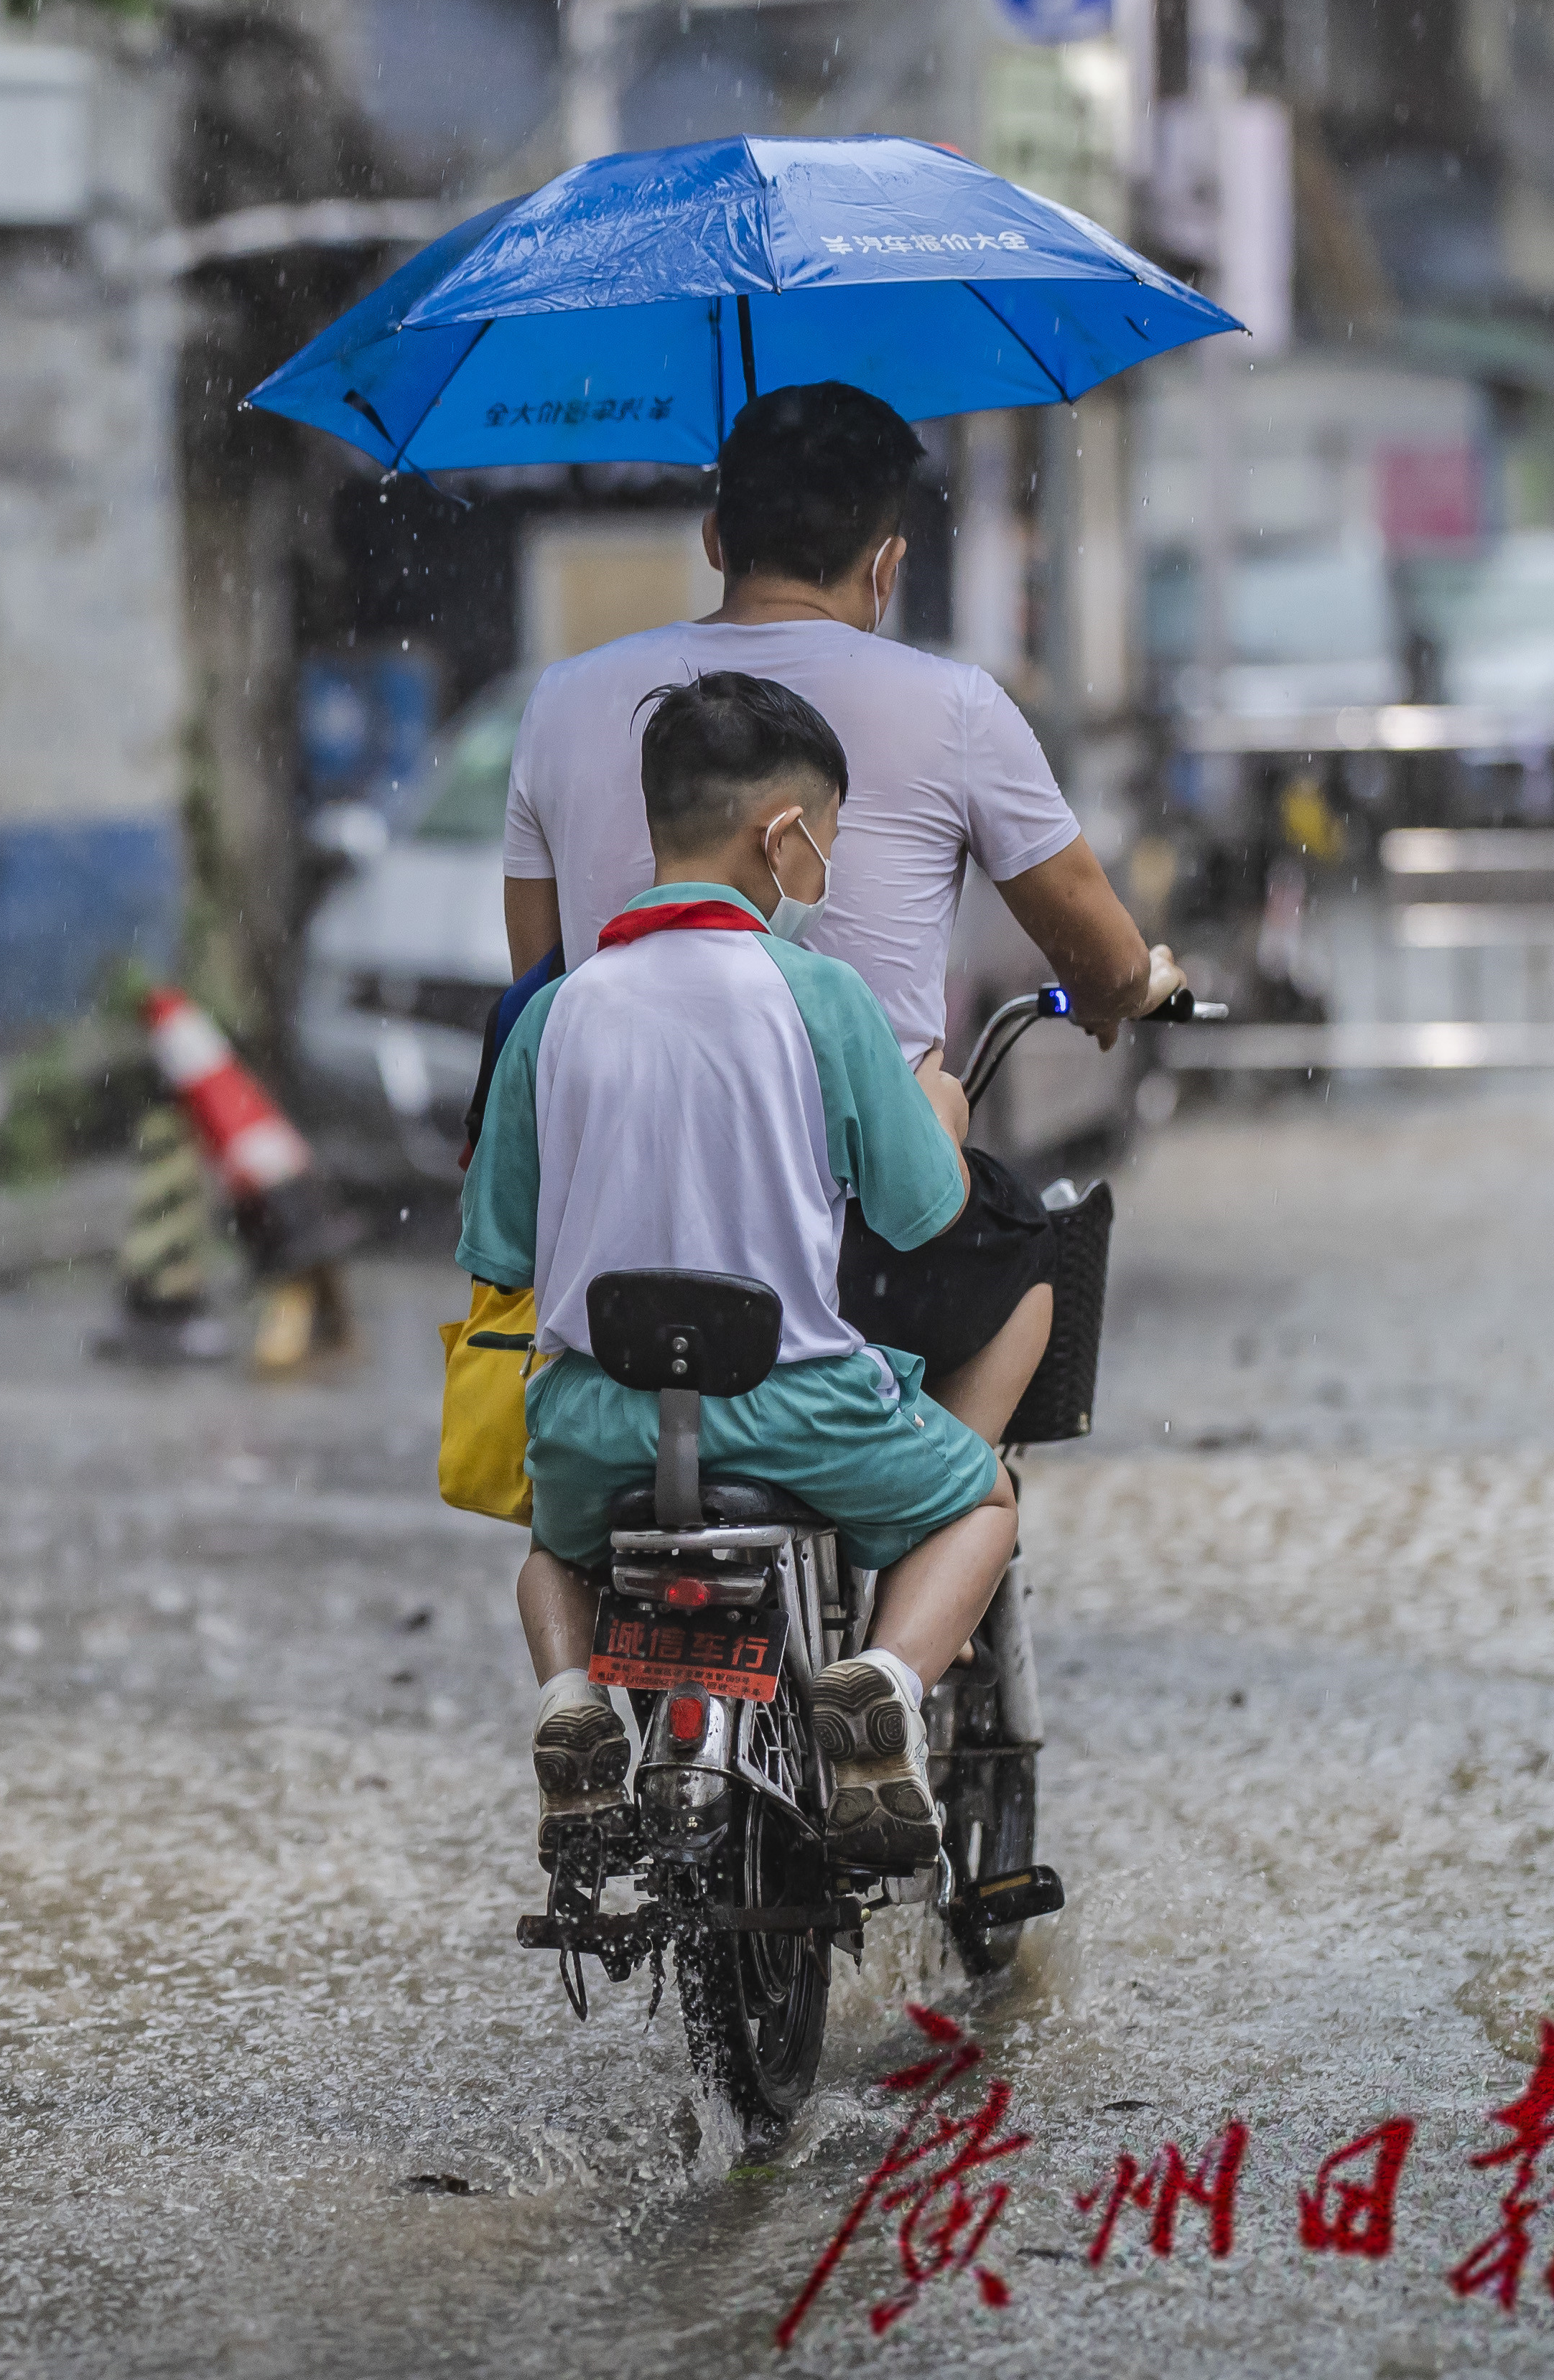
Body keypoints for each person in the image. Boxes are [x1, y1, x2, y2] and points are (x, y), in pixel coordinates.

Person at [492, 381, 1180, 1730]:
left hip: (618, 1272)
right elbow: (1096, 955)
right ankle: (906, 1565)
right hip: (855, 1249)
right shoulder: (952, 711)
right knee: (1029, 1256)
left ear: (711, 535)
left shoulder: (564, 704)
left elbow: (536, 981)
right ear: (888, 556)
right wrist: (1129, 989)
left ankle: (584, 1701)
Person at [458, 673, 1013, 1875]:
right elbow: (922, 1213)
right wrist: (943, 1110)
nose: (827, 865)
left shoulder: (551, 1017)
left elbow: (499, 1250)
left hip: (594, 1421)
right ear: (782, 834)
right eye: (828, 839)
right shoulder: (822, 997)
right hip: (796, 1405)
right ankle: (887, 1681)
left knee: (554, 1552)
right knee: (981, 1501)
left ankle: (570, 1699)